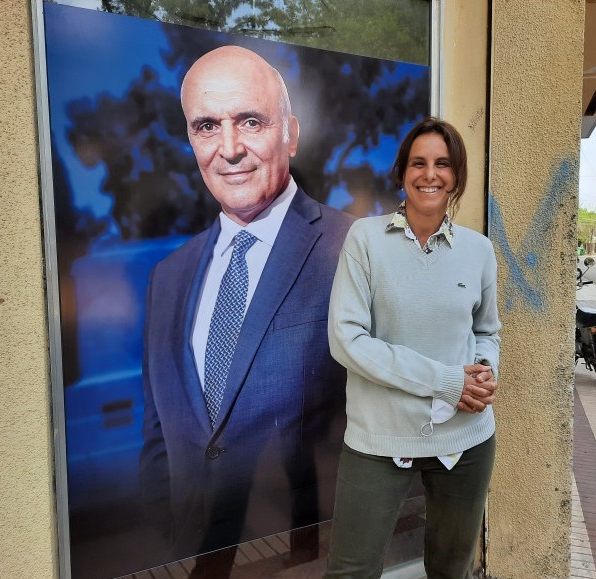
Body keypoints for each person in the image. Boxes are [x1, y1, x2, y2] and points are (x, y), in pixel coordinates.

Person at [139, 45, 354, 576]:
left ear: (291, 133)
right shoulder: (168, 277)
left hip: (303, 556)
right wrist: (169, 539)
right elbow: (158, 437)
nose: (229, 148)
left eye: (250, 121)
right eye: (207, 126)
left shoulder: (353, 248)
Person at [325, 117, 501, 579]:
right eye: (419, 163)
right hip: (380, 435)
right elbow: (347, 339)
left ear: (457, 176)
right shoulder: (365, 239)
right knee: (351, 570)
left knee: (451, 568)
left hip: (466, 437)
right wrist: (445, 381)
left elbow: (487, 330)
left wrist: (483, 370)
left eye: (443, 164)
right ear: (402, 173)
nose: (430, 174)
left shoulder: (479, 250)